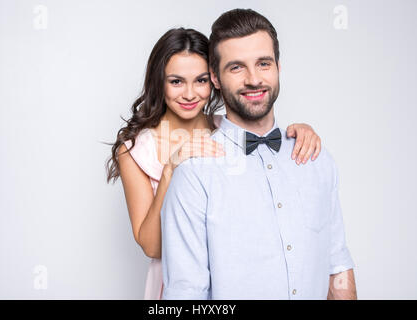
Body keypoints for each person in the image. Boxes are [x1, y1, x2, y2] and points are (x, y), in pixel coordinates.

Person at [106, 27, 322, 300]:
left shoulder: (229, 128)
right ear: (158, 82)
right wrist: (172, 168)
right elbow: (151, 246)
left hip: (236, 275)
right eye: (176, 81)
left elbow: (268, 161)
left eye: (200, 80)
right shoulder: (137, 150)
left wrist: (299, 132)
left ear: (215, 80)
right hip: (178, 282)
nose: (189, 94)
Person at [161, 9, 357, 300]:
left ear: (278, 66)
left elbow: (337, 267)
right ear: (215, 76)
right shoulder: (194, 175)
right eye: (236, 67)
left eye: (263, 63)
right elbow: (186, 294)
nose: (254, 79)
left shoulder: (317, 159)